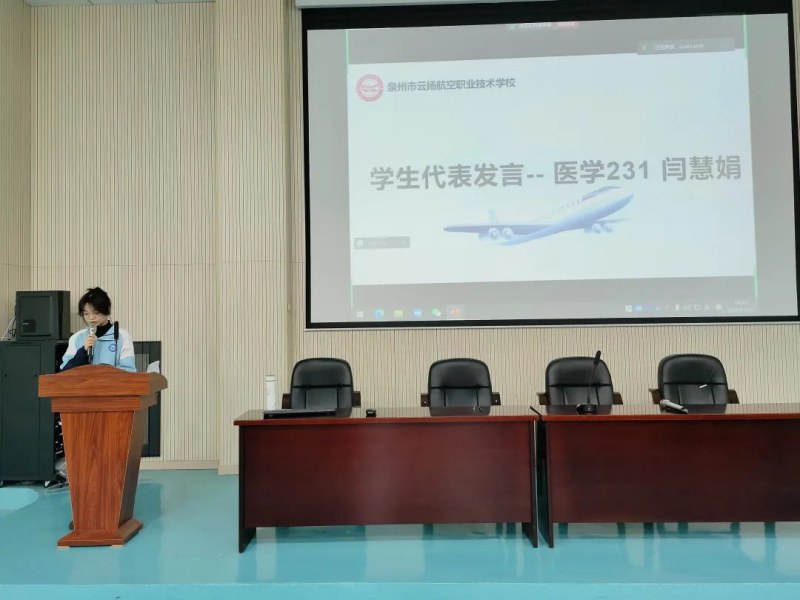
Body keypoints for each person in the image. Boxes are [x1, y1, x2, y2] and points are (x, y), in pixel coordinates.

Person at [60, 287, 136, 372]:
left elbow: (129, 370)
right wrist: (83, 350)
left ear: (107, 310)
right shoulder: (77, 338)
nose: (91, 317)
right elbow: (65, 372)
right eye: (86, 313)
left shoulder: (122, 336)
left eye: (96, 313)